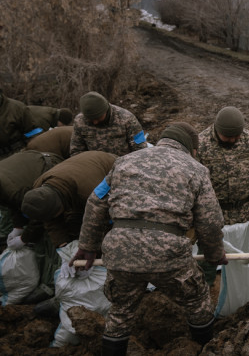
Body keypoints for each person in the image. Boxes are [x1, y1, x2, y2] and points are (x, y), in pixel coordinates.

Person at [70, 122, 226, 355]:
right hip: (168, 253)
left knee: (120, 311)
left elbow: (96, 202)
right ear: (192, 149)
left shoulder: (123, 162)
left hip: (121, 251)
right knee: (197, 299)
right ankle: (206, 349)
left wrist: (88, 246)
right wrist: (214, 253)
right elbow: (210, 220)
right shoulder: (196, 169)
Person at [17, 150, 118, 311]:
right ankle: (68, 294)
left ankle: (107, 292)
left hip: (108, 168)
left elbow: (102, 223)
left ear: (61, 206)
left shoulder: (90, 192)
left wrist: (92, 253)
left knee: (107, 239)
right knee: (73, 230)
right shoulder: (39, 190)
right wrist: (65, 249)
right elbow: (51, 221)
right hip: (78, 176)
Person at [0, 149, 63, 301]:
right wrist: (17, 227)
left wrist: (24, 239)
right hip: (34, 167)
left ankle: (50, 285)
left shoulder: (14, 190)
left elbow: (39, 217)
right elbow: (12, 203)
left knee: (49, 235)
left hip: (50, 170)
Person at [196, 106, 249, 284]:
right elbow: (194, 183)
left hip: (245, 210)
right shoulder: (201, 144)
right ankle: (203, 291)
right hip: (215, 214)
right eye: (228, 137)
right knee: (208, 256)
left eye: (236, 136)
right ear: (218, 130)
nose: (233, 140)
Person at [70, 91, 148, 157]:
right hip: (94, 165)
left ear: (105, 110)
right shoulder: (80, 121)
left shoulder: (126, 118)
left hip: (123, 165)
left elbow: (141, 148)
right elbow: (76, 151)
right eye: (90, 119)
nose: (95, 122)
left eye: (98, 118)